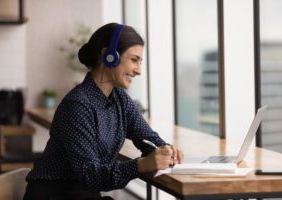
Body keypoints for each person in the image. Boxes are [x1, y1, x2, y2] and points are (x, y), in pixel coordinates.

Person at [23, 23, 184, 200]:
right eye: (134, 60)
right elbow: (91, 175)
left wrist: (165, 150)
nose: (138, 70)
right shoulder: (77, 105)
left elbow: (146, 137)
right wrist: (141, 165)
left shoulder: (120, 99)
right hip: (55, 194)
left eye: (140, 62)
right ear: (107, 56)